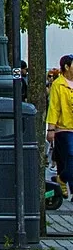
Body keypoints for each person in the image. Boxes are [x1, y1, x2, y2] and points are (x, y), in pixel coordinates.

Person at [49, 56, 73, 198]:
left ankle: (63, 181)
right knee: (70, 155)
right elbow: (54, 108)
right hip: (64, 128)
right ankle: (63, 178)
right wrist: (51, 129)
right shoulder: (58, 85)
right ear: (66, 67)